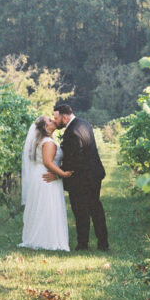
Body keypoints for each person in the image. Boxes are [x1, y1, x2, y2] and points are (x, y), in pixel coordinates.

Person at [46, 102, 109, 251]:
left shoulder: (72, 133)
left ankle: (83, 244)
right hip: (94, 173)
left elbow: (74, 161)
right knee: (96, 209)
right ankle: (103, 243)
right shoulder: (83, 123)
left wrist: (59, 174)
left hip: (82, 179)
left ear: (65, 117)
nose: (55, 121)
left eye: (56, 118)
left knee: (81, 212)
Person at [19, 115, 72, 251]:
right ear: (44, 127)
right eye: (49, 120)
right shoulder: (47, 142)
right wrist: (62, 174)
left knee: (41, 207)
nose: (53, 121)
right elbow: (48, 162)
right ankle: (47, 240)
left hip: (39, 176)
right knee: (48, 207)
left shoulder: (42, 141)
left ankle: (38, 237)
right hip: (47, 177)